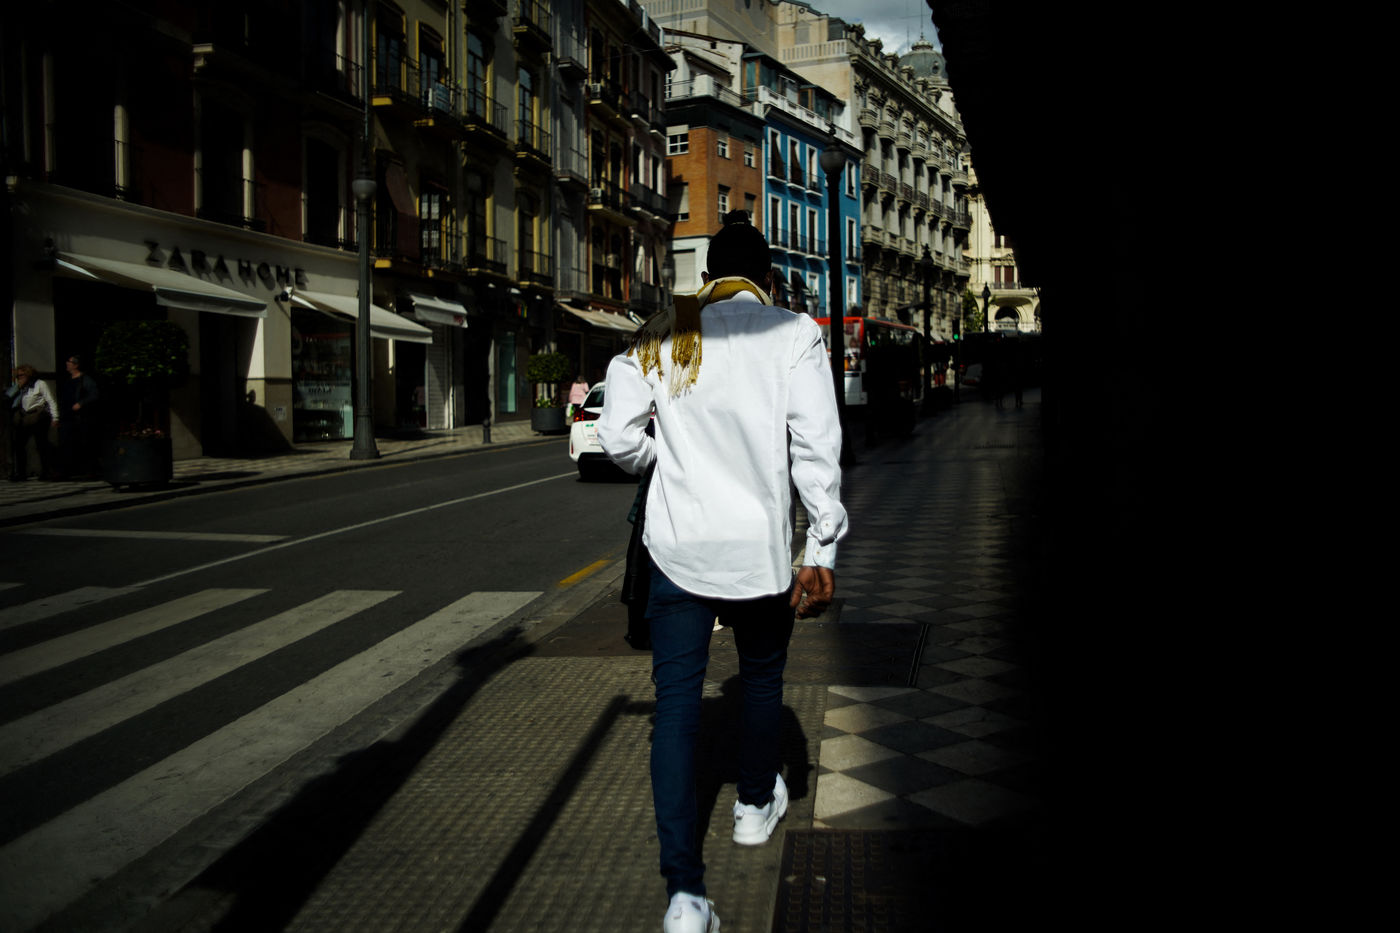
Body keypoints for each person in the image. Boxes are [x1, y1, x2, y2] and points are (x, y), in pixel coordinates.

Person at [597, 211, 847, 933]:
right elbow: (816, 447)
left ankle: (684, 895)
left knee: (676, 707)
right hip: (759, 553)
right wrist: (821, 549)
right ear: (767, 279)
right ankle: (751, 808)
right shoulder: (793, 333)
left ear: (706, 277)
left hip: (679, 549)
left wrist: (662, 456)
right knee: (762, 680)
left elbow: (616, 435)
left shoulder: (671, 328)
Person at [10, 364, 59, 481]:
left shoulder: (40, 384)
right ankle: (21, 473)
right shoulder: (21, 387)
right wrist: (17, 387)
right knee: (19, 445)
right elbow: (9, 397)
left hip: (38, 415)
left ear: (28, 374)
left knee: (41, 444)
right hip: (24, 416)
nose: (19, 378)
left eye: (21, 375)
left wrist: (55, 417)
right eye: (17, 376)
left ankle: (46, 472)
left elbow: (50, 400)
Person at [58, 353, 100, 479]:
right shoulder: (68, 380)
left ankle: (89, 471)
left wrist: (81, 403)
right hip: (67, 416)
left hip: (79, 418)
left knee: (83, 443)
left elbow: (94, 394)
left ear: (76, 365)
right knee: (66, 443)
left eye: (69, 362)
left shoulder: (85, 380)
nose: (67, 363)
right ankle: (66, 471)